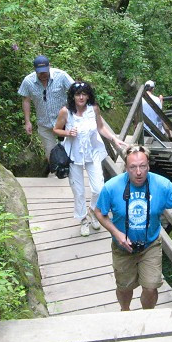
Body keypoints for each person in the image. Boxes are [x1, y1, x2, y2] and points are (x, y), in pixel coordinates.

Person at [93, 145, 172, 311]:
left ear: (148, 166)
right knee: (125, 287)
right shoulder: (112, 187)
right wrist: (117, 233)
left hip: (150, 244)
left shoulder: (162, 185)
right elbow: (98, 212)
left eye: (142, 166)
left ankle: (148, 314)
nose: (138, 172)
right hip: (122, 247)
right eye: (133, 167)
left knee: (151, 286)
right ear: (126, 167)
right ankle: (125, 310)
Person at [53, 81, 127, 237]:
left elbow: (100, 128)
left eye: (84, 94)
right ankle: (83, 220)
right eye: (78, 94)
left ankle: (93, 211)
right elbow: (56, 130)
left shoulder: (93, 109)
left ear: (88, 95)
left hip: (92, 152)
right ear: (72, 96)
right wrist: (68, 133)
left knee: (99, 188)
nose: (81, 97)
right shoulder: (66, 112)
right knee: (78, 192)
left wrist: (114, 139)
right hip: (74, 155)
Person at [18, 55, 74, 165]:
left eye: (45, 71)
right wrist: (27, 121)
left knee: (69, 149)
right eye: (40, 72)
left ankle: (71, 171)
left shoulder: (61, 76)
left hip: (64, 121)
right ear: (35, 70)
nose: (43, 75)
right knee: (50, 152)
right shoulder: (28, 81)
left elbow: (75, 91)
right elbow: (26, 100)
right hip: (44, 123)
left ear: (50, 67)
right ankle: (56, 173)